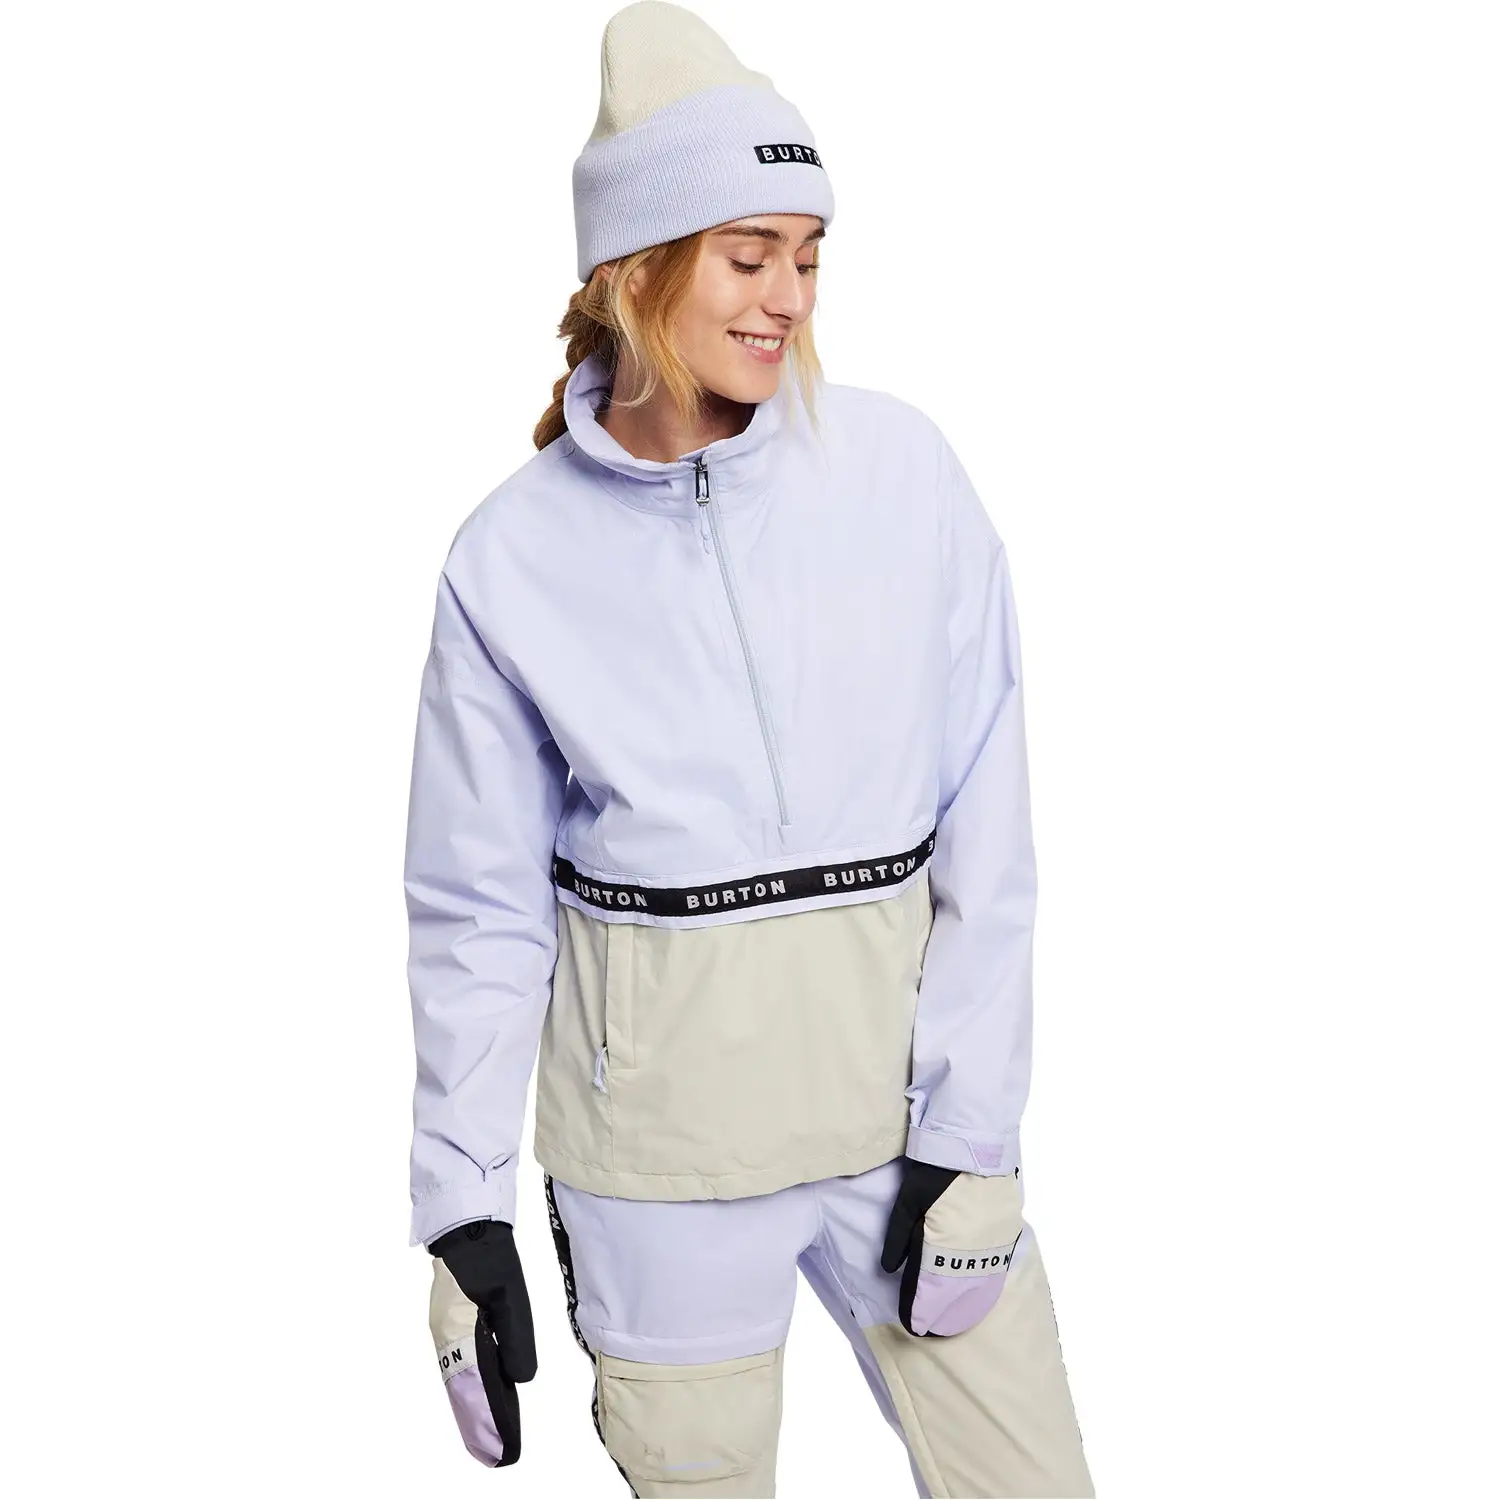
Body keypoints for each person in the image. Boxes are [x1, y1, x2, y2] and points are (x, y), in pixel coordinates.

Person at [403, 3, 1095, 1495]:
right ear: (636, 268)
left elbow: (989, 826)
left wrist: (974, 1132)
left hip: (900, 1138)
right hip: (657, 1169)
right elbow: (476, 911)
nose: (788, 297)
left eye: (808, 256)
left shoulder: (902, 476)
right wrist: (462, 1209)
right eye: (748, 255)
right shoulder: (509, 559)